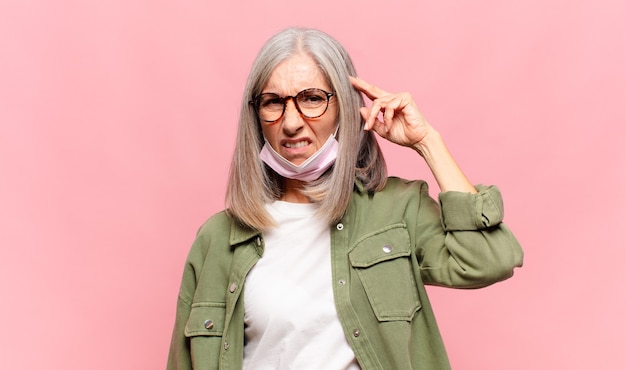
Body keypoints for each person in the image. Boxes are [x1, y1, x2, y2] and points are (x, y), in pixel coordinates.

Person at [167, 27, 523, 370]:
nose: (291, 122)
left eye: (312, 99)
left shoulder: (397, 209)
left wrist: (427, 142)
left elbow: (488, 260)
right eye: (273, 102)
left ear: (344, 107)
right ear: (256, 115)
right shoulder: (217, 238)